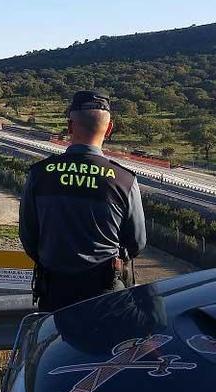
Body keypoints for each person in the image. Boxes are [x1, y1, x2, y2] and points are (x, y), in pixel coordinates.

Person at [19, 90, 147, 311]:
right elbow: (136, 242)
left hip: (54, 293)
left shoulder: (40, 174)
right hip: (105, 295)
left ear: (70, 126)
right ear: (109, 129)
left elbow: (29, 237)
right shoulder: (124, 180)